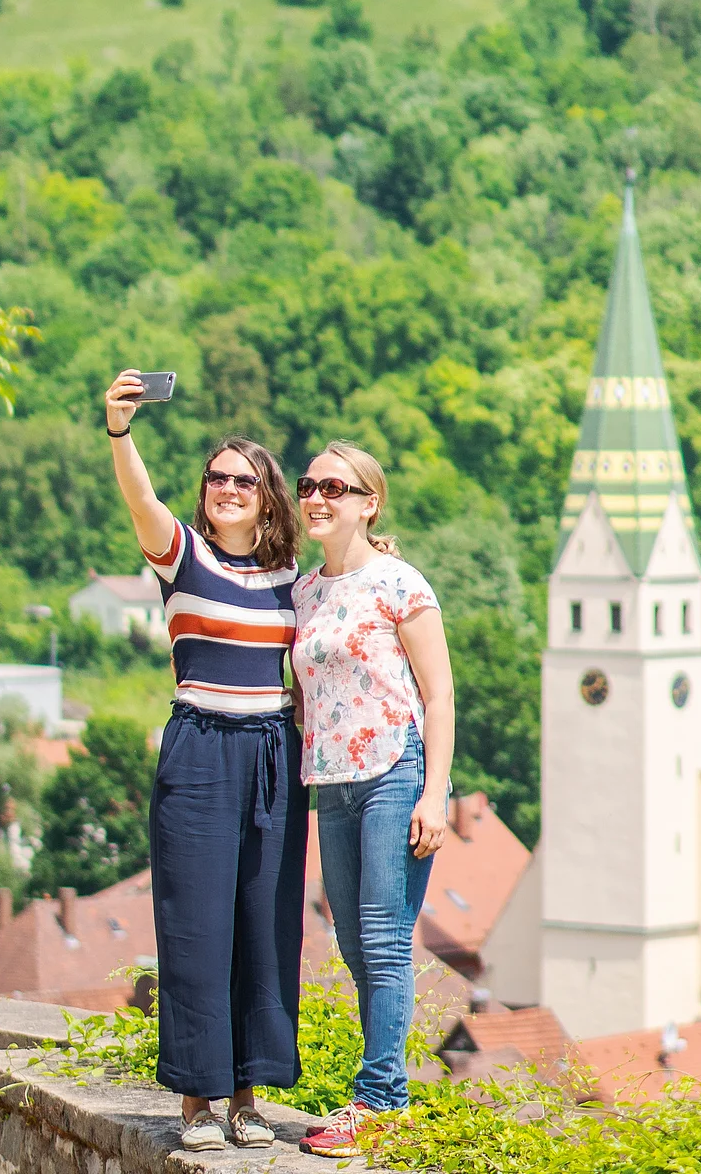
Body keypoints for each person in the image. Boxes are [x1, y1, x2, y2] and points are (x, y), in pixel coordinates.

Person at [103, 370, 307, 1154]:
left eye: (242, 480)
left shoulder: (294, 580)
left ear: (267, 497)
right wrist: (121, 433)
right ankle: (197, 1102)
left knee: (263, 925)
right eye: (216, 477)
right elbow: (140, 500)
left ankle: (249, 1100)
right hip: (199, 748)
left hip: (269, 756)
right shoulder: (180, 557)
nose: (226, 487)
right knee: (194, 929)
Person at [288, 440, 455, 1159]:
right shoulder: (304, 591)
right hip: (332, 783)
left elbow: (440, 692)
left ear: (368, 502)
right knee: (353, 943)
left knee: (385, 941)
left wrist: (435, 793)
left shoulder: (399, 583)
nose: (318, 498)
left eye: (335, 487)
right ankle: (379, 1095)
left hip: (394, 769)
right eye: (309, 486)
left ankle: (382, 1102)